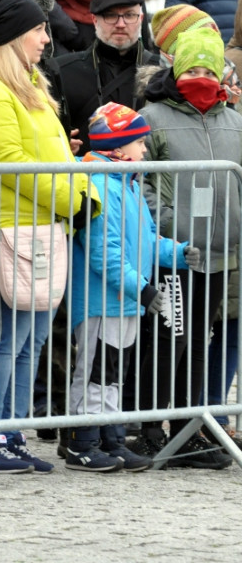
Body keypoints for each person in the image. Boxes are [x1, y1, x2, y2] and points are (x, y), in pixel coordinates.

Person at [0, 0, 97, 474]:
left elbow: (58, 157)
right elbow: (11, 163)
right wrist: (72, 198)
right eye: (39, 29)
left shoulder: (30, 84)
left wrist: (84, 193)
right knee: (3, 338)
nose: (47, 38)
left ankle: (11, 433)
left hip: (43, 230)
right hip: (11, 232)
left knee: (32, 339)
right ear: (14, 35)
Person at [130, 26, 242, 469]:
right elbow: (144, 181)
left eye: (207, 69)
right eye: (191, 68)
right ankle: (150, 430)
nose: (199, 76)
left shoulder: (234, 120)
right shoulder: (153, 116)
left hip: (221, 255)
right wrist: (168, 225)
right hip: (173, 254)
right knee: (166, 340)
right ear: (175, 70)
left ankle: (186, 430)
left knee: (198, 341)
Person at [65, 103, 199, 473]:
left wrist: (180, 254)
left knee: (112, 376)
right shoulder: (100, 185)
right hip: (100, 301)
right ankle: (82, 442)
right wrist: (141, 289)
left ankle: (112, 439)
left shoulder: (128, 183)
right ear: (119, 148)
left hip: (123, 301)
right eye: (140, 143)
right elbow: (102, 253)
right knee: (93, 373)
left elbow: (147, 240)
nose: (145, 150)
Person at [51, 0, 161, 154]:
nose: (120, 24)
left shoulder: (161, 73)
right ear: (95, 20)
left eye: (129, 15)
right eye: (111, 16)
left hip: (147, 178)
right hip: (84, 178)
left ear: (141, 18)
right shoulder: (62, 71)